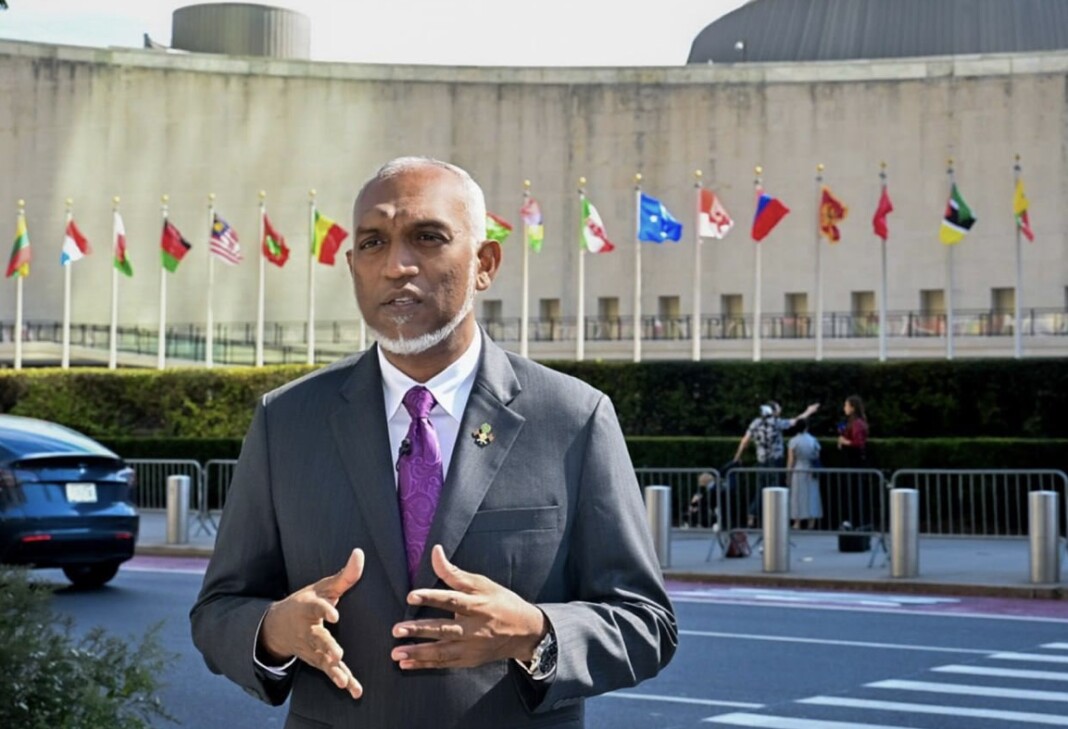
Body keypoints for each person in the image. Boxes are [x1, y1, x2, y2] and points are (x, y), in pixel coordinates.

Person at [189, 157, 677, 729]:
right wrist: (273, 631)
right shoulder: (288, 420)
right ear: (353, 267)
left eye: (427, 237)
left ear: (484, 263)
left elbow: (645, 623)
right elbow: (218, 610)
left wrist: (535, 634)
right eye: (372, 242)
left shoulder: (572, 418)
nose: (397, 265)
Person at [734, 400, 819, 527]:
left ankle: (752, 515)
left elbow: (745, 441)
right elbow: (795, 421)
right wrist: (809, 411)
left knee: (761, 488)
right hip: (775, 460)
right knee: (776, 489)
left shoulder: (755, 423)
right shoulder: (776, 422)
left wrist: (737, 457)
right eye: (778, 408)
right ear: (772, 411)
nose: (780, 410)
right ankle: (774, 517)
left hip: (761, 461)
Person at [787, 418, 822, 530]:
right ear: (807, 427)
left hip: (798, 469)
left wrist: (788, 474)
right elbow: (817, 455)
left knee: (797, 496)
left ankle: (797, 521)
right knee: (812, 495)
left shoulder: (793, 441)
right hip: (811, 469)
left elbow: (791, 460)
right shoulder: (813, 440)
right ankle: (812, 522)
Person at [837, 395, 869, 466]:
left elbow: (858, 443)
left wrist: (844, 441)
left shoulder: (857, 423)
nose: (844, 408)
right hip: (851, 459)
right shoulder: (852, 422)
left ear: (852, 408)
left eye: (846, 406)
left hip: (854, 460)